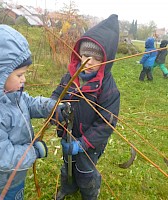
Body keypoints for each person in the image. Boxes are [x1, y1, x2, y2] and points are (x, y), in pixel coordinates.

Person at [0, 25, 65, 199]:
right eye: (20, 75)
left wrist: (50, 107)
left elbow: (28, 103)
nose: (24, 79)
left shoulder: (10, 93)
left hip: (17, 171)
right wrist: (33, 152)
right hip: (5, 178)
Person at [51, 14, 120, 200]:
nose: (87, 62)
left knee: (84, 169)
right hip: (68, 132)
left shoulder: (108, 89)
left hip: (89, 143)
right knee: (68, 163)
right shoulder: (70, 77)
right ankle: (68, 186)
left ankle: (90, 192)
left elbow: (107, 122)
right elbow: (57, 94)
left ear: (105, 61)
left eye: (94, 58)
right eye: (84, 55)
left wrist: (83, 143)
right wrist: (55, 110)